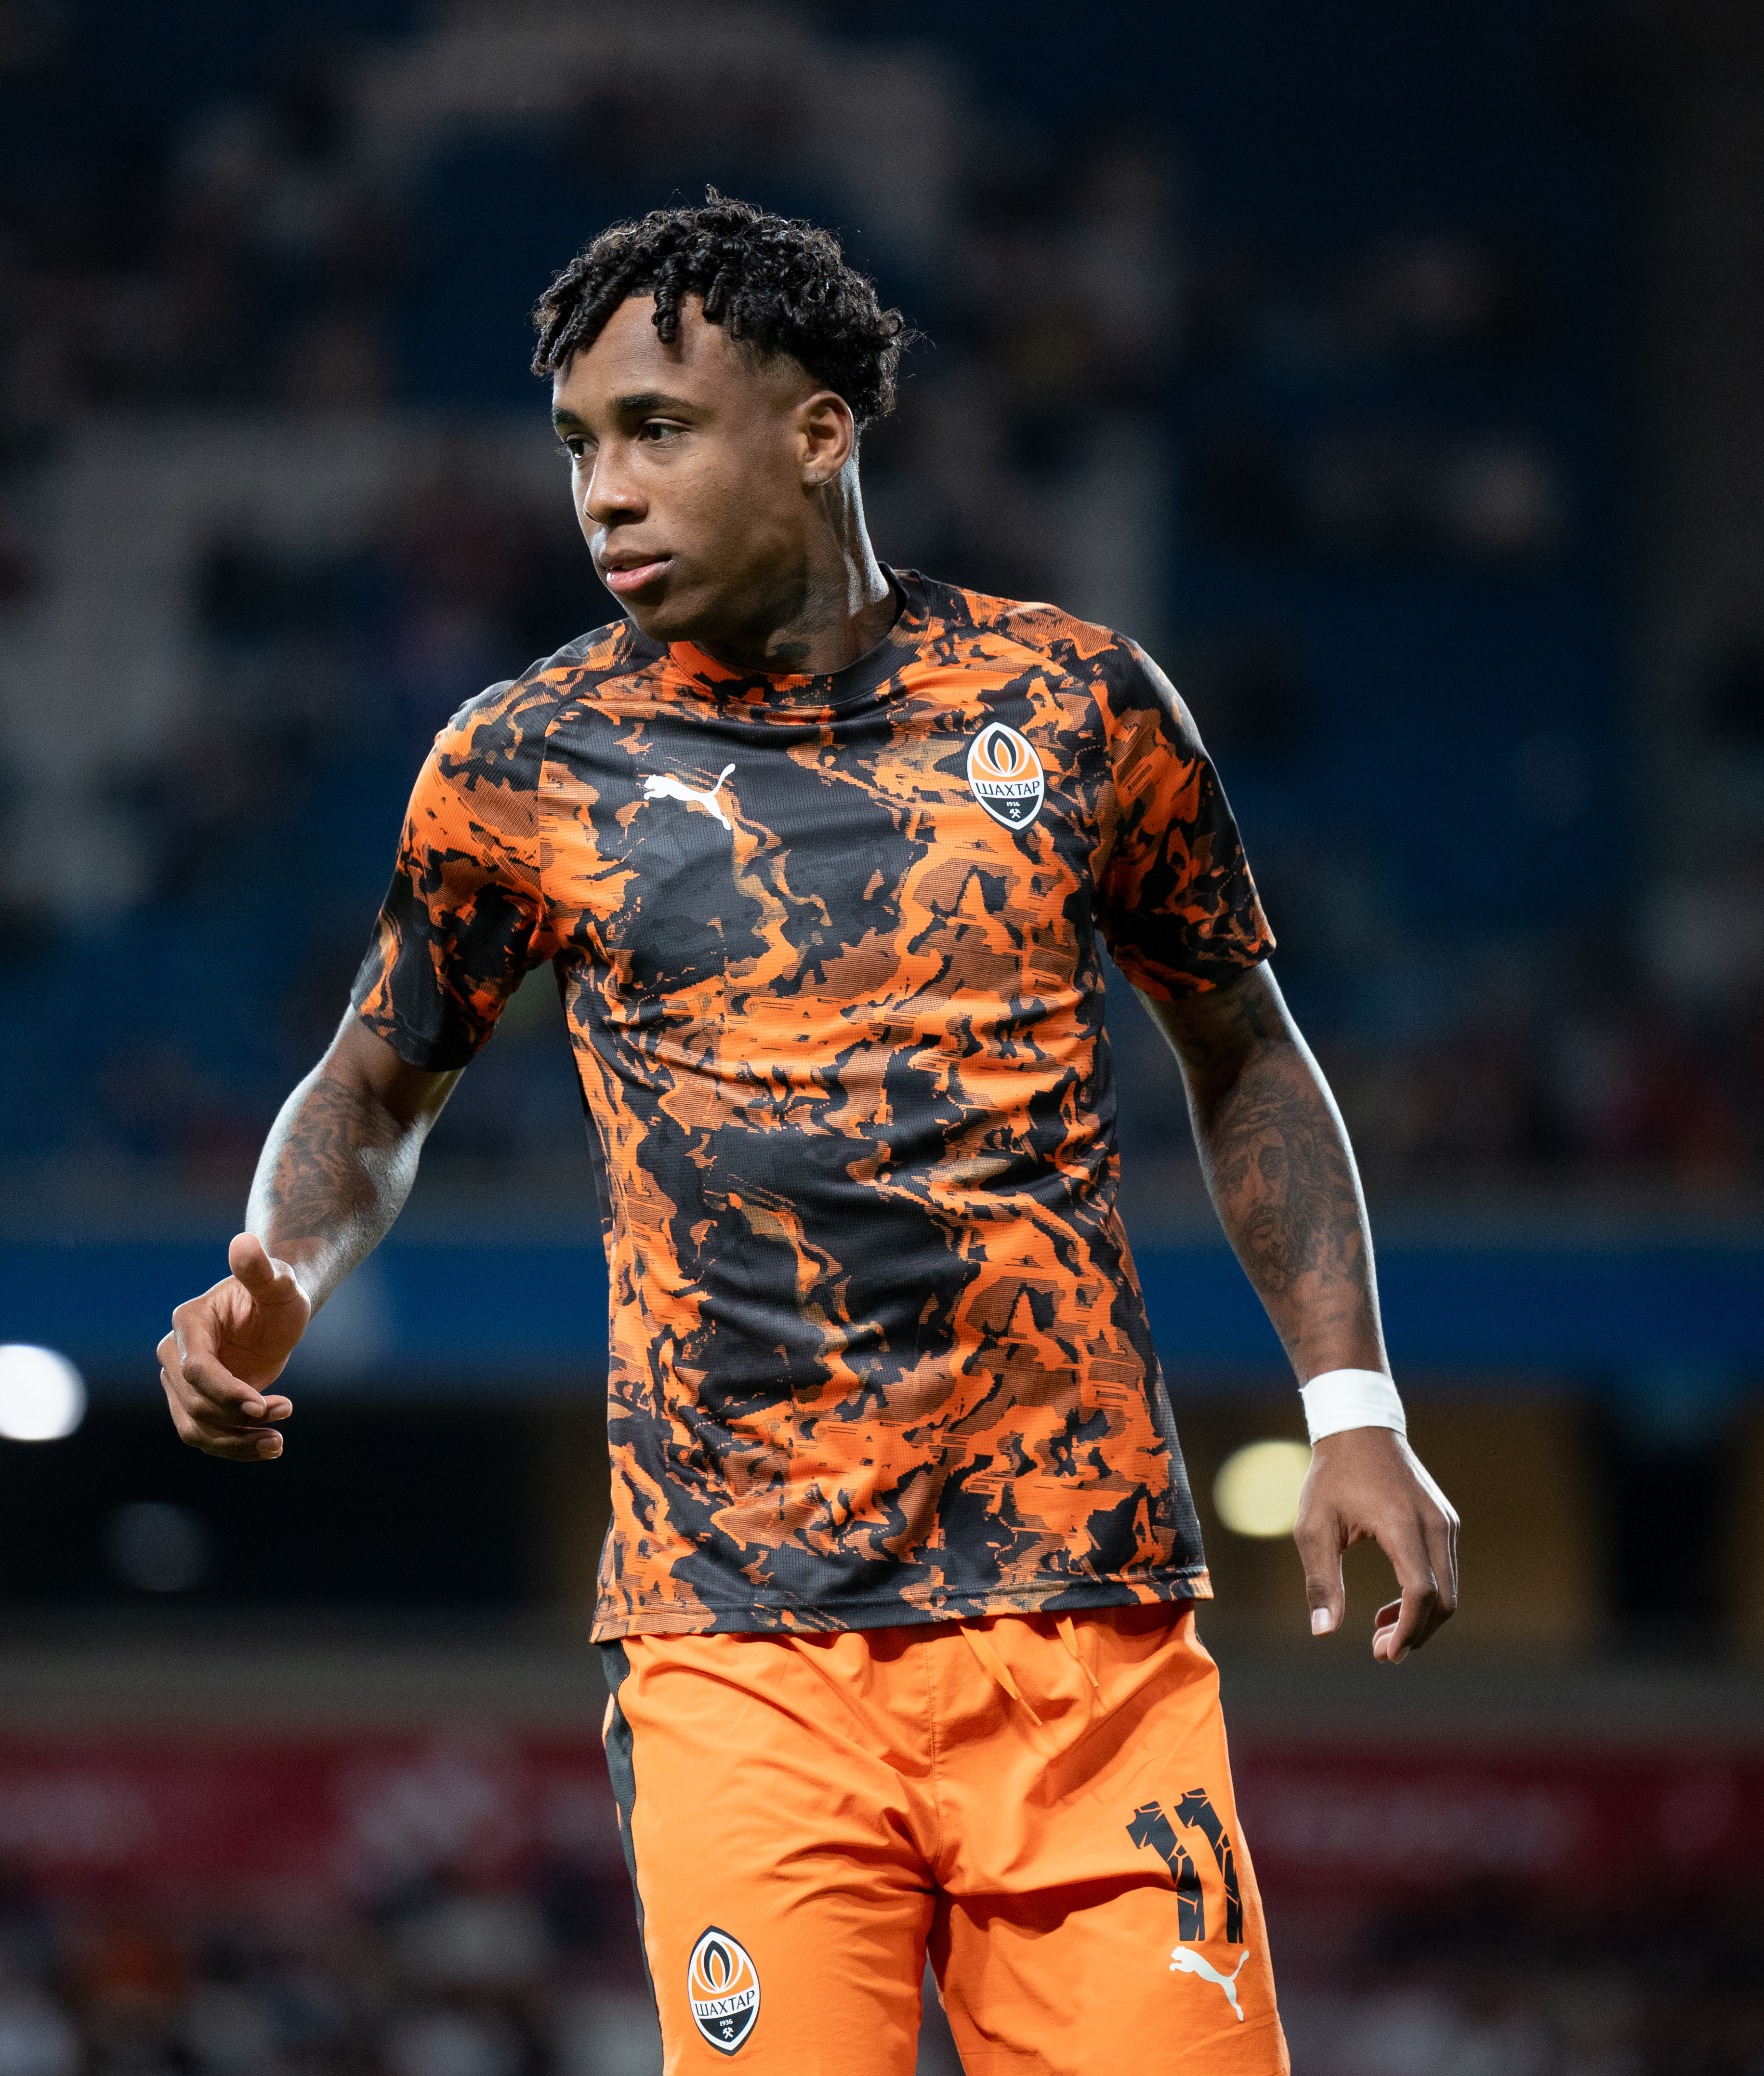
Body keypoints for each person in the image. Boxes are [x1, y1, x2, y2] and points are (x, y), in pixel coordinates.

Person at [159, 193, 1460, 2076]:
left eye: (656, 432)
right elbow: (376, 1076)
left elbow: (1244, 1050)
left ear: (818, 432)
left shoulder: (1075, 706)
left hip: (1079, 1638)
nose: (601, 491)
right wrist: (273, 1268)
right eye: (578, 448)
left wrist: (1352, 1411)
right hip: (735, 1651)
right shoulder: (518, 765)